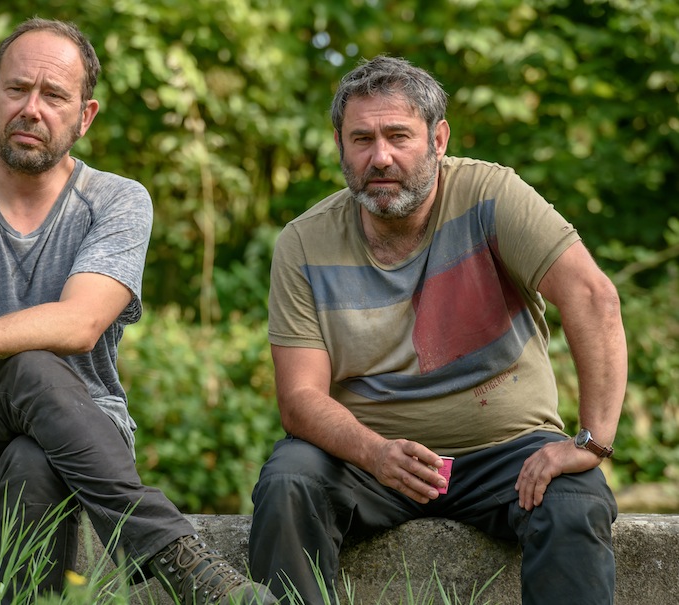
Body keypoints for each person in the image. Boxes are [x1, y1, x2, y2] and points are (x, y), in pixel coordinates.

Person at [0, 17, 275, 605]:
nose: (32, 109)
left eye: (54, 96)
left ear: (85, 116)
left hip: (79, 441)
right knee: (30, 366)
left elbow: (80, 324)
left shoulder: (118, 201)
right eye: (18, 89)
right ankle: (187, 566)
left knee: (33, 454)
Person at [247, 55, 626, 605]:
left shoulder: (491, 197)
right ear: (340, 147)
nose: (380, 157)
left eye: (399, 135)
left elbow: (593, 297)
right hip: (368, 461)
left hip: (508, 453)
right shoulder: (303, 243)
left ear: (439, 138)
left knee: (574, 500)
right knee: (288, 481)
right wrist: (376, 454)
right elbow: (300, 398)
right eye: (362, 139)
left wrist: (592, 441)